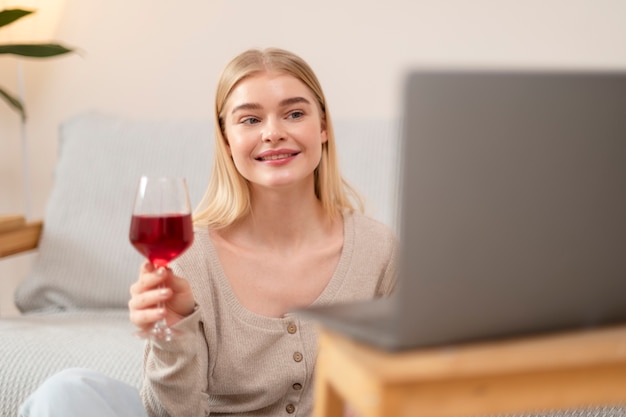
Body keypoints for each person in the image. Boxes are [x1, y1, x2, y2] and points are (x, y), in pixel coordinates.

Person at [19, 47, 398, 417]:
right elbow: (172, 413)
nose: (273, 133)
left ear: (323, 127)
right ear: (227, 140)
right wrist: (172, 336)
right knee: (66, 394)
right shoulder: (191, 255)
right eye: (250, 120)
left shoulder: (377, 250)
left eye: (294, 113)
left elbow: (404, 384)